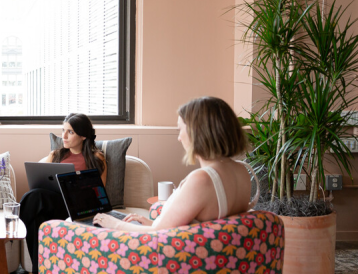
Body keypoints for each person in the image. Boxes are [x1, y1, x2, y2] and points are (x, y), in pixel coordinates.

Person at [93, 96, 257, 233]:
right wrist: (150, 223)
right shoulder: (242, 170)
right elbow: (197, 227)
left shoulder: (202, 179)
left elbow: (160, 234)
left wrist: (114, 223)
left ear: (197, 132)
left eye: (180, 130)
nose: (179, 138)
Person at [20, 113, 107, 274]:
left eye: (70, 132)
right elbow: (39, 181)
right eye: (63, 130)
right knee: (35, 204)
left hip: (76, 210)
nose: (64, 136)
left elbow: (100, 194)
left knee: (34, 198)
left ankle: (7, 237)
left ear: (83, 136)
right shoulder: (56, 155)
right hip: (53, 205)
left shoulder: (96, 158)